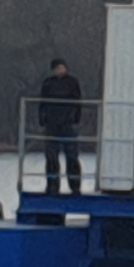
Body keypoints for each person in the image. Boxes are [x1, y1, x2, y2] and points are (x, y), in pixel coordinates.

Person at [32, 56, 91, 193]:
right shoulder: (48, 83)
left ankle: (75, 186)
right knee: (51, 156)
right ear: (53, 70)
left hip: (67, 124)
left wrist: (76, 119)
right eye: (58, 68)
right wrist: (42, 119)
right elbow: (43, 103)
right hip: (51, 124)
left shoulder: (72, 82)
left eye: (62, 67)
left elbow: (78, 102)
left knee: (72, 156)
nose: (60, 70)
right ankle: (52, 185)